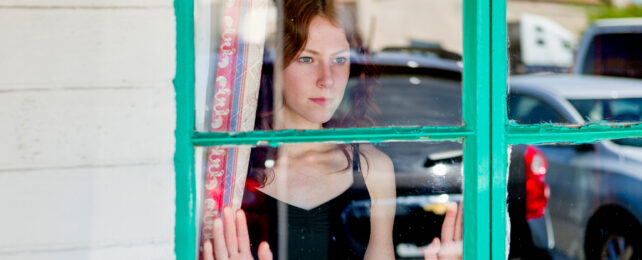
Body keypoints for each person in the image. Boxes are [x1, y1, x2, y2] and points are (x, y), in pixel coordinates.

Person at [202, 0, 462, 259]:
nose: (326, 79)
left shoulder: (373, 169)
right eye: (306, 58)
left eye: (339, 59)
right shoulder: (231, 170)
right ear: (274, 65)